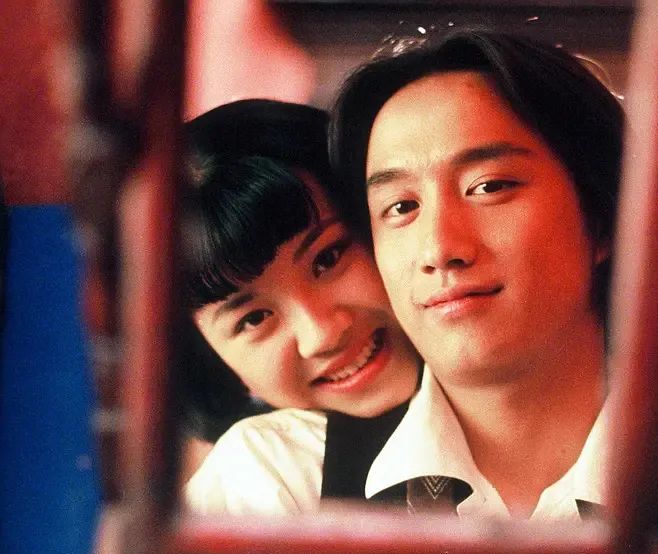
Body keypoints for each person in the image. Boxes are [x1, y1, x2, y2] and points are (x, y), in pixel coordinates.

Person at [330, 30, 624, 520]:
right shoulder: (284, 477)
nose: (439, 250)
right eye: (400, 207)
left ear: (599, 218)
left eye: (488, 187)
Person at [179, 99, 421, 515]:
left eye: (328, 258)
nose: (322, 333)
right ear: (212, 360)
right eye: (254, 318)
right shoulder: (259, 476)